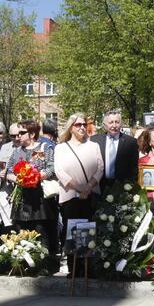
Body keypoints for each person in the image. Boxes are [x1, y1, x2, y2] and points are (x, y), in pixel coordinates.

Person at [6, 120, 59, 273]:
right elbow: (9, 170)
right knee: (21, 230)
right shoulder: (16, 151)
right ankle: (23, 265)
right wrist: (18, 179)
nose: (18, 136)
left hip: (41, 198)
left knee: (41, 231)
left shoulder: (44, 147)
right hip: (22, 198)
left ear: (32, 133)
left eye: (21, 133)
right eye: (16, 134)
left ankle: (44, 265)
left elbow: (52, 167)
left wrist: (36, 176)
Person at [54, 113, 103, 270]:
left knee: (89, 231)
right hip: (70, 196)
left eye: (84, 124)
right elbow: (59, 171)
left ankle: (88, 267)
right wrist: (79, 187)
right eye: (78, 125)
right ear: (71, 127)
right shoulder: (61, 148)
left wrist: (88, 188)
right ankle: (73, 268)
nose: (82, 127)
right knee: (72, 232)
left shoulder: (93, 146)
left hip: (91, 195)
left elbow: (100, 168)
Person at [91, 110, 139, 188]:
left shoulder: (131, 142)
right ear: (104, 125)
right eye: (111, 122)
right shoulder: (95, 140)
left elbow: (134, 168)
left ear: (121, 124)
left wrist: (130, 186)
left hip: (122, 187)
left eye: (117, 122)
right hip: (98, 186)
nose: (114, 125)